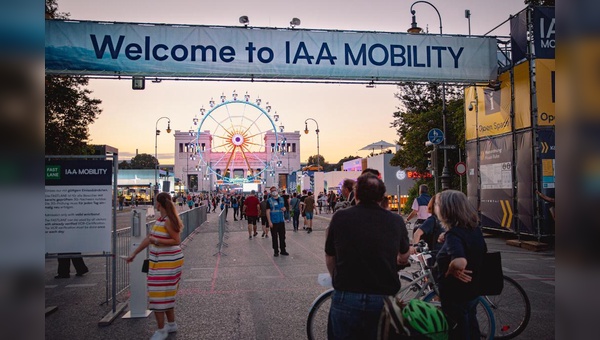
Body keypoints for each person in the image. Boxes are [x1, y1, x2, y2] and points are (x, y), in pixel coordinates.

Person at [325, 173, 410, 340]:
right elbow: (404, 254)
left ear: (355, 194)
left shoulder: (340, 217)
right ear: (382, 196)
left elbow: (330, 255)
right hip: (383, 299)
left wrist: (336, 277)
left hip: (347, 294)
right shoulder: (395, 221)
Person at [126, 192, 184, 340]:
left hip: (167, 262)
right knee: (165, 293)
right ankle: (171, 324)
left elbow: (176, 240)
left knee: (158, 294)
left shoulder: (167, 221)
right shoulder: (161, 220)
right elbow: (148, 239)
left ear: (159, 204)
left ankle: (161, 329)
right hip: (161, 261)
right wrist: (135, 253)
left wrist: (157, 241)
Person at [434, 190, 486, 340]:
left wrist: (451, 270)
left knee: (458, 332)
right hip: (473, 290)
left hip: (455, 293)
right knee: (471, 326)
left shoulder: (454, 234)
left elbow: (460, 261)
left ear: (447, 208)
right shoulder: (474, 229)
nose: (435, 208)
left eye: (437, 204)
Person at [266, 186, 288, 256]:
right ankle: (276, 251)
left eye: (275, 190)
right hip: (274, 221)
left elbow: (285, 207)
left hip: (281, 220)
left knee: (282, 236)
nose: (274, 192)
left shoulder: (282, 199)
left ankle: (283, 250)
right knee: (274, 237)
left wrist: (285, 209)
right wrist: (269, 221)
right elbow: (267, 211)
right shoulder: (269, 201)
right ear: (271, 192)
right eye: (272, 191)